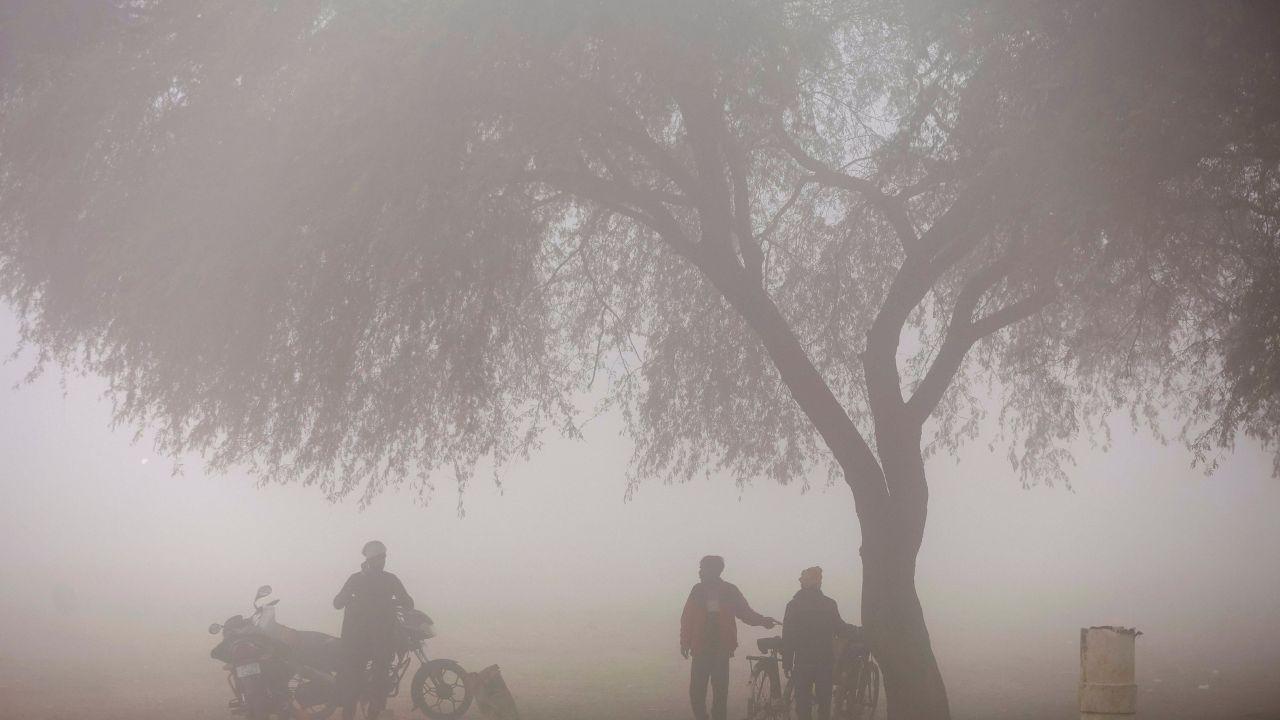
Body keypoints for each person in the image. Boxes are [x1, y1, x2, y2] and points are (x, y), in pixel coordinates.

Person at [680, 555, 779, 720]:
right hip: (704, 648)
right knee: (698, 693)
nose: (699, 572)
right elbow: (687, 617)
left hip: (719, 649)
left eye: (702, 568)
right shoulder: (699, 590)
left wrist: (764, 621)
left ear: (713, 570)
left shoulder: (728, 591)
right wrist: (684, 642)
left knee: (717, 693)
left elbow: (746, 613)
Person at [333, 540, 415, 720]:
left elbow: (337, 603)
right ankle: (370, 714)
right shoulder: (389, 580)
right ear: (371, 559)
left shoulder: (356, 579)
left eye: (384, 557)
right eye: (380, 557)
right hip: (377, 641)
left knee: (356, 679)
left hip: (360, 641)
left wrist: (351, 600)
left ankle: (352, 714)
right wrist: (392, 602)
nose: (383, 560)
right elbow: (408, 603)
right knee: (379, 679)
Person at [782, 566, 847, 720]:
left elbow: (788, 636)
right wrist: (860, 632)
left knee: (803, 705)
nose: (800, 581)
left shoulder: (793, 605)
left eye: (802, 579)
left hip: (802, 661)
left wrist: (787, 662)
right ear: (819, 583)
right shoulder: (829, 604)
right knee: (824, 704)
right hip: (825, 661)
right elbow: (840, 628)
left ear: (807, 582)